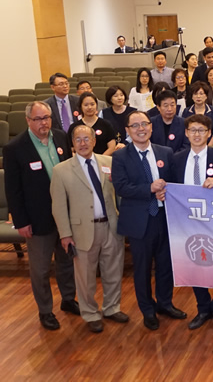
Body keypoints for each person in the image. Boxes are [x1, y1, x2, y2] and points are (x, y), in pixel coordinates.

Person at [4, 101, 77, 330]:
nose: (44, 123)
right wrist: (21, 221)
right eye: (38, 119)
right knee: (41, 269)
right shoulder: (15, 148)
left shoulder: (61, 137)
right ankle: (45, 311)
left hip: (65, 216)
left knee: (66, 262)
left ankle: (68, 299)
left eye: (46, 117)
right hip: (37, 219)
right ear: (28, 120)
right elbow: (13, 190)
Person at [112, 110, 186, 330]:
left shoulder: (165, 152)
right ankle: (147, 309)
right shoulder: (120, 156)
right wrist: (150, 189)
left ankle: (165, 303)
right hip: (139, 222)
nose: (141, 129)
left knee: (165, 265)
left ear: (151, 127)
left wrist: (166, 191)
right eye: (135, 126)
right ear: (127, 130)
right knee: (142, 269)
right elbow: (121, 187)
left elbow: (174, 182)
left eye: (144, 124)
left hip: (164, 217)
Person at [51, 125, 127, 333]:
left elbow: (120, 194)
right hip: (81, 231)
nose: (83, 143)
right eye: (78, 139)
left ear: (94, 141)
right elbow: (58, 206)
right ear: (72, 143)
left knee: (113, 271)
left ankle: (112, 308)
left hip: (111, 226)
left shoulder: (109, 163)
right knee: (85, 277)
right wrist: (65, 234)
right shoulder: (61, 170)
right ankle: (91, 313)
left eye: (87, 139)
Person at [172, 115, 213, 330]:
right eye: (193, 130)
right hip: (187, 222)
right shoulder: (177, 159)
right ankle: (203, 308)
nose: (197, 134)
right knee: (194, 264)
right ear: (186, 133)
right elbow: (171, 187)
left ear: (209, 133)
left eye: (201, 130)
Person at [182, 81, 213, 146]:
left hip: (210, 145)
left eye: (201, 94)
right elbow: (184, 131)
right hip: (190, 145)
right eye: (195, 94)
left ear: (206, 96)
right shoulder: (187, 111)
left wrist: (208, 147)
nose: (198, 96)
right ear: (192, 97)